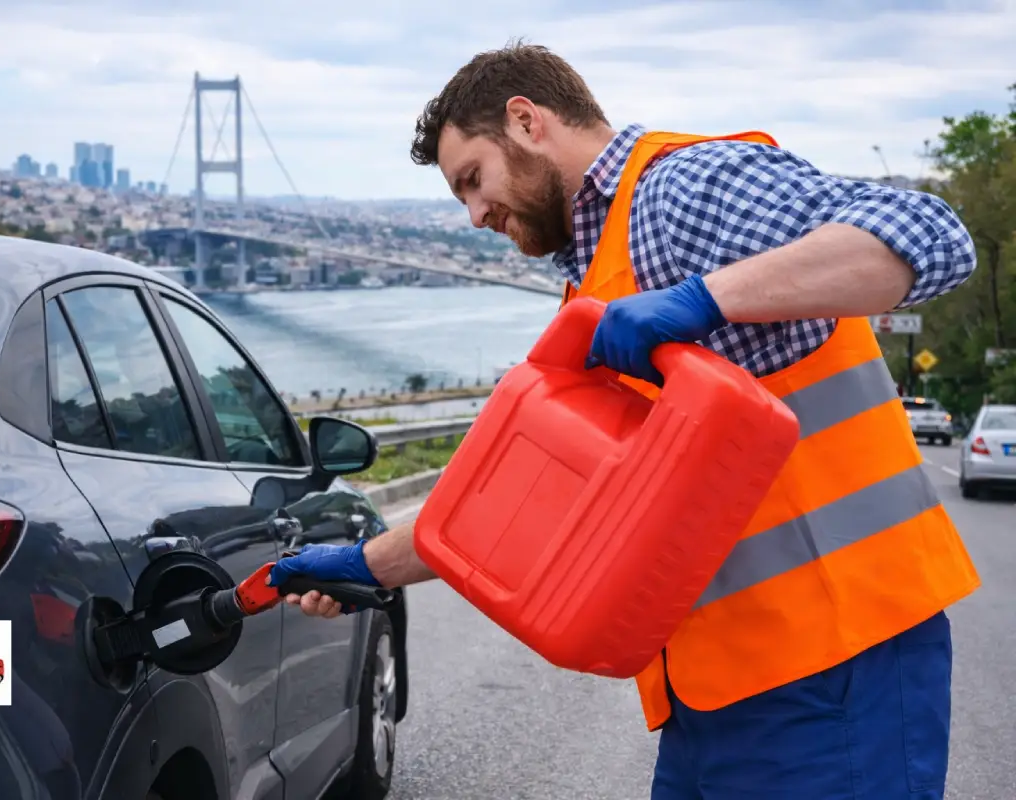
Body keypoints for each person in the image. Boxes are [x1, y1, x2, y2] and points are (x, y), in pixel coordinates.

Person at [268, 41, 981, 799]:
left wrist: (705, 298)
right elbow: (540, 505)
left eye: (473, 180)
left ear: (527, 121)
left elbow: (931, 238)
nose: (475, 215)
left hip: (839, 667)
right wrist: (369, 566)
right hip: (714, 695)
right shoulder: (594, 281)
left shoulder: (680, 189)